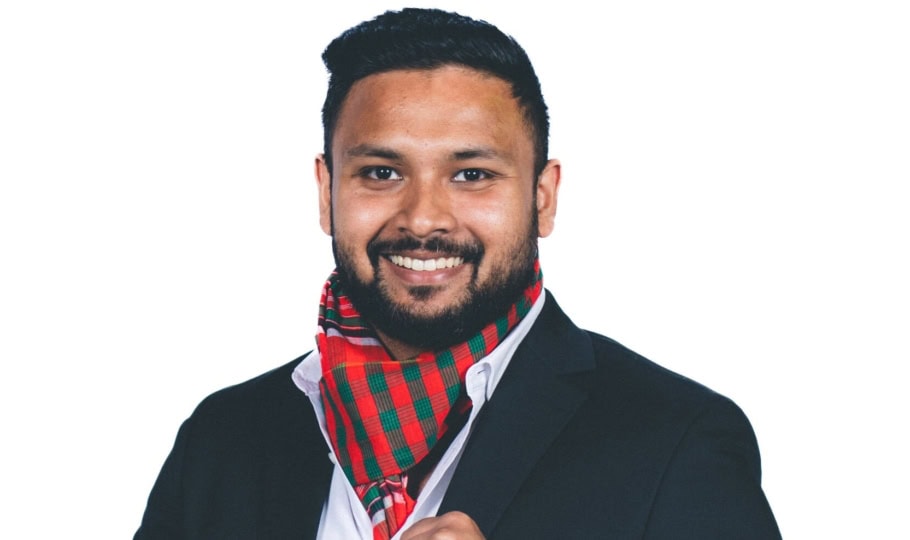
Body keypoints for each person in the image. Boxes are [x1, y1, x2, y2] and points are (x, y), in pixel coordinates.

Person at [135, 8, 780, 540]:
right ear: (327, 191)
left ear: (542, 197)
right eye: (381, 173)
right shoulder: (222, 444)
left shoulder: (675, 441)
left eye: (472, 174)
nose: (422, 219)